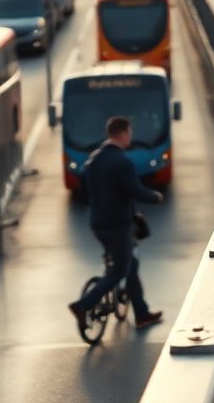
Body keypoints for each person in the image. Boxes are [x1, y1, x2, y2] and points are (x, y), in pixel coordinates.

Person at [67, 116, 165, 332]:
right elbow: (135, 190)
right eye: (129, 132)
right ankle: (84, 304)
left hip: (97, 223)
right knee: (120, 268)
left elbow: (83, 193)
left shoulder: (93, 159)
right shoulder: (122, 161)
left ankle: (141, 313)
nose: (131, 136)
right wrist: (156, 197)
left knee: (130, 265)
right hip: (118, 224)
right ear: (122, 133)